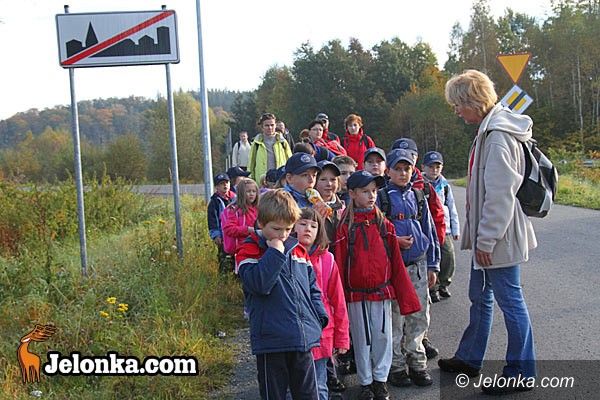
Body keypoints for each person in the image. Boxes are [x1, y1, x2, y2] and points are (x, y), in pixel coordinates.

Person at [438, 69, 537, 396]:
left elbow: (500, 196)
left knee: (511, 302)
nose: (456, 111)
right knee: (481, 296)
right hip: (491, 235)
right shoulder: (490, 129)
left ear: (473, 101)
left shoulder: (497, 136)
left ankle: (521, 372)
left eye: (458, 105)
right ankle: (470, 357)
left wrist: (486, 240)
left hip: (498, 238)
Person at [335, 170, 420, 400]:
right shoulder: (345, 228)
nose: (371, 195)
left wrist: (406, 297)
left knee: (383, 338)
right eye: (365, 191)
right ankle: (365, 383)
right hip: (356, 295)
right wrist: (339, 303)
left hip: (382, 293)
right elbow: (340, 265)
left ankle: (380, 381)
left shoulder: (385, 225)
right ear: (352, 193)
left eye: (374, 191)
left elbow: (396, 264)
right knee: (362, 341)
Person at [236, 189, 329, 400]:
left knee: (308, 394)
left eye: (288, 229)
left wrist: (319, 317)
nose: (283, 235)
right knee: (275, 394)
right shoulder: (249, 250)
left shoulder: (298, 250)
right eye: (276, 229)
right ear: (261, 224)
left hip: (302, 337)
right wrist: (275, 252)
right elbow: (259, 284)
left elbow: (312, 287)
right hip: (271, 341)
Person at [378, 149, 439, 388]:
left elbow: (429, 232)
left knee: (419, 316)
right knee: (395, 319)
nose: (403, 173)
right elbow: (375, 234)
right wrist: (394, 241)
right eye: (398, 169)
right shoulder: (381, 198)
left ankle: (417, 363)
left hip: (418, 266)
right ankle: (396, 366)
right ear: (388, 171)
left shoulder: (418, 196)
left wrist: (433, 264)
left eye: (407, 169)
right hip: (393, 269)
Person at [294, 208, 350, 400]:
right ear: (292, 226)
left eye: (313, 225)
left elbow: (338, 301)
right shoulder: (286, 255)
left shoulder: (327, 260)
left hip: (322, 333)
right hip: (294, 334)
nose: (308, 229)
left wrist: (342, 337)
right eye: (302, 224)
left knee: (319, 385)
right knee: (294, 386)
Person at [422, 151, 460, 300]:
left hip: (445, 228)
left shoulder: (445, 186)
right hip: (427, 228)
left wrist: (455, 229)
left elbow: (451, 207)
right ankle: (433, 287)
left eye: (437, 167)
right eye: (430, 167)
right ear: (423, 167)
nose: (434, 170)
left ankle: (444, 283)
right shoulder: (419, 184)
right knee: (431, 258)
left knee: (448, 256)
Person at [221, 178, 259, 272]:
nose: (251, 194)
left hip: (256, 248)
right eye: (248, 191)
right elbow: (229, 229)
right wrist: (247, 230)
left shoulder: (258, 209)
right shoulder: (234, 210)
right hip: (241, 249)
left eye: (254, 191)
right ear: (241, 193)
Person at [248, 113, 292, 182]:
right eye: (267, 125)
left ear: (275, 125)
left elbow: (290, 160)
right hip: (262, 181)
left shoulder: (282, 142)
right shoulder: (256, 143)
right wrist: (251, 180)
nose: (270, 128)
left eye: (272, 125)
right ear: (262, 127)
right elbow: (251, 164)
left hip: (280, 180)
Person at [207, 173, 235, 273]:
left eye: (227, 182)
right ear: (216, 187)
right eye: (221, 183)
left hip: (234, 234)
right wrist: (216, 235)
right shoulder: (215, 202)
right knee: (224, 257)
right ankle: (224, 276)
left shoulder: (235, 198)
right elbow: (212, 220)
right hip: (223, 236)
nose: (225, 185)